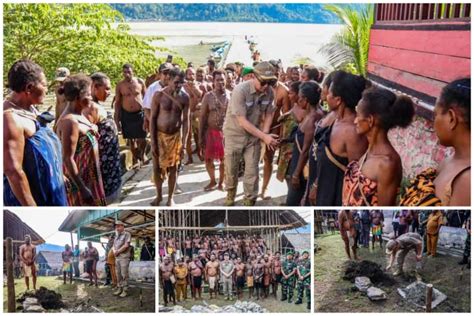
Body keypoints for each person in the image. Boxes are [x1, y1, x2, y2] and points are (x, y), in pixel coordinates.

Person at [4, 60, 67, 206]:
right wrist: (32, 207)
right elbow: (13, 171)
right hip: (34, 197)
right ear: (29, 88)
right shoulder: (10, 119)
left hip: (48, 189)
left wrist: (58, 174)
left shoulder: (29, 109)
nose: (47, 90)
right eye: (44, 85)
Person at [400, 78, 470, 206]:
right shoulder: (448, 161)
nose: (433, 123)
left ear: (451, 118)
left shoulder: (467, 181)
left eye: (435, 115)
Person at [343, 87, 414, 206]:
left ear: (370, 120)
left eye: (358, 115)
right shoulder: (369, 150)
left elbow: (384, 209)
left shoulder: (387, 164)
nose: (355, 121)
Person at [223, 61, 278, 206]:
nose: (266, 87)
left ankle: (249, 200)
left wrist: (265, 132)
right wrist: (264, 136)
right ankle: (230, 194)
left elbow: (269, 113)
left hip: (254, 137)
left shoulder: (270, 92)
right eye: (263, 82)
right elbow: (242, 121)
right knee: (231, 169)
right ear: (254, 76)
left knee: (252, 172)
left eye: (270, 83)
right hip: (234, 135)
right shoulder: (240, 91)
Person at [313, 71, 369, 206]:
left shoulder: (352, 133)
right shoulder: (335, 120)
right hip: (324, 192)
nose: (327, 96)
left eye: (330, 93)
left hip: (337, 198)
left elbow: (355, 180)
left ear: (338, 100)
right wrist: (315, 185)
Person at [56, 74, 106, 206]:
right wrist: (83, 189)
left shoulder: (80, 115)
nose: (91, 98)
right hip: (80, 183)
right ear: (78, 97)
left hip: (91, 177)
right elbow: (68, 158)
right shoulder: (69, 122)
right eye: (88, 94)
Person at [150, 67, 190, 206]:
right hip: (159, 137)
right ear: (169, 80)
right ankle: (159, 196)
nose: (179, 85)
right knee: (157, 168)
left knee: (174, 168)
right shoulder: (158, 96)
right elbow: (152, 119)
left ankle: (170, 198)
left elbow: (186, 121)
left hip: (175, 138)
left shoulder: (185, 98)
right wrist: (153, 142)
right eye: (176, 82)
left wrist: (184, 143)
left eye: (181, 83)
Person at [83, 72, 122, 204]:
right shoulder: (89, 108)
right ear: (94, 87)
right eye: (106, 88)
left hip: (110, 166)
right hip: (102, 168)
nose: (109, 92)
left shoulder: (96, 106)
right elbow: (86, 141)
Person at [286, 81, 323, 206]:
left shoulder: (313, 118)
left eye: (300, 96)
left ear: (305, 99)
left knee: (292, 201)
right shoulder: (312, 114)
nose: (298, 99)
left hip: (301, 169)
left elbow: (306, 150)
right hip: (299, 163)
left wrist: (296, 174)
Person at [260, 60, 291, 200]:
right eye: (273, 72)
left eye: (277, 72)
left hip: (273, 131)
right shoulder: (260, 87)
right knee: (252, 160)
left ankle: (264, 189)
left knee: (268, 160)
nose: (275, 75)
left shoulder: (284, 91)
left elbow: (285, 115)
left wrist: (282, 136)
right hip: (255, 130)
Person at [199, 70, 229, 191]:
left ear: (226, 80)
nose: (220, 82)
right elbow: (202, 117)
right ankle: (212, 181)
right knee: (208, 159)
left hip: (226, 133)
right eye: (217, 80)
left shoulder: (231, 95)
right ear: (213, 81)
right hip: (211, 132)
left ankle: (221, 183)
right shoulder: (208, 97)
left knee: (224, 160)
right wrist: (201, 136)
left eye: (222, 79)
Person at [114, 63, 147, 167]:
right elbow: (118, 102)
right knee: (131, 140)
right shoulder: (120, 85)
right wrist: (116, 119)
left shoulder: (140, 82)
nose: (126, 74)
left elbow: (146, 98)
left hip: (140, 113)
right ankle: (136, 158)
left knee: (142, 138)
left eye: (128, 71)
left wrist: (148, 115)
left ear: (133, 71)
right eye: (124, 72)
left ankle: (142, 153)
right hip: (126, 115)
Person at [143, 62, 172, 132]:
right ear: (159, 74)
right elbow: (147, 108)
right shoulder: (152, 88)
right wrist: (154, 123)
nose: (168, 76)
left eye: (170, 73)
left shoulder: (177, 87)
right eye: (165, 73)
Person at [183, 67, 204, 164]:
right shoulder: (182, 86)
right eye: (189, 74)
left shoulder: (200, 85)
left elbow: (201, 96)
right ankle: (189, 157)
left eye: (193, 74)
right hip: (186, 114)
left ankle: (199, 152)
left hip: (196, 113)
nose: (191, 76)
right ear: (186, 75)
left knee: (198, 135)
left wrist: (194, 87)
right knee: (187, 135)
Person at [113, 221, 132, 297]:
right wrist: (115, 251)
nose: (117, 228)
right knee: (118, 274)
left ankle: (125, 290)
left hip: (124, 257)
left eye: (118, 226)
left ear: (122, 226)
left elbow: (126, 245)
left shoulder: (127, 234)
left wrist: (117, 251)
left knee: (124, 274)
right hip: (117, 257)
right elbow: (113, 246)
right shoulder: (116, 236)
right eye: (116, 227)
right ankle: (119, 288)